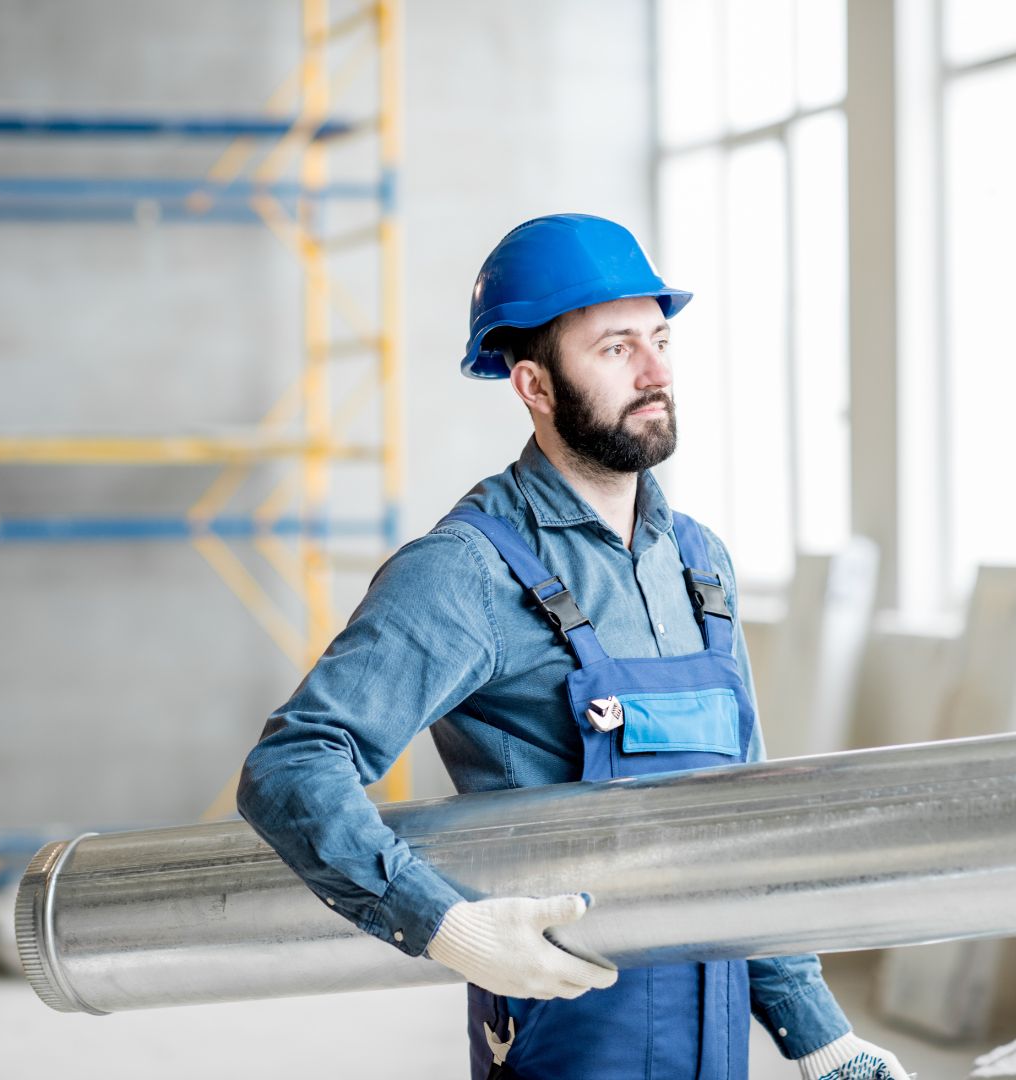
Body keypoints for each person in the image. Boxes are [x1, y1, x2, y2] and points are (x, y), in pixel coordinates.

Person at [237, 214, 912, 1079]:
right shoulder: (468, 571)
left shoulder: (698, 563)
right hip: (571, 1042)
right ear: (535, 385)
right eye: (616, 348)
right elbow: (293, 763)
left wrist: (822, 1039)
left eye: (661, 339)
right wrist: (441, 923)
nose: (658, 371)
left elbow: (739, 833)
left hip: (714, 1048)